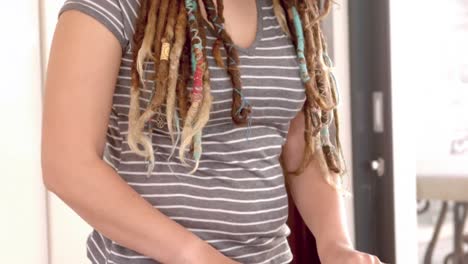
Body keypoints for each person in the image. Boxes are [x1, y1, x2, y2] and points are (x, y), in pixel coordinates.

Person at [41, 0, 382, 263]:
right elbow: (67, 165)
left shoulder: (286, 10)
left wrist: (335, 244)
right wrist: (200, 257)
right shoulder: (111, 6)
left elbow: (301, 146)